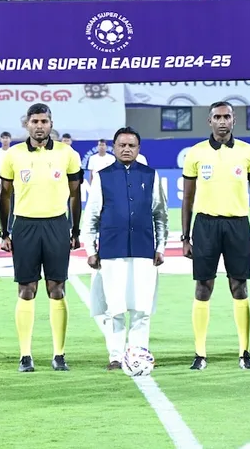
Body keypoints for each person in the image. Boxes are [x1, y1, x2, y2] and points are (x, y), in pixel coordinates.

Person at [180, 101, 250, 370]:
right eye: (217, 117)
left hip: (238, 225)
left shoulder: (248, 152)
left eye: (227, 116)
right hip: (205, 225)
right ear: (209, 121)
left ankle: (244, 352)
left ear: (234, 120)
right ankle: (200, 353)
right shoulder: (196, 153)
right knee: (203, 286)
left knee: (239, 286)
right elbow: (188, 199)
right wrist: (185, 236)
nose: (222, 121)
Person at [0, 103, 82, 372]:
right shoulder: (13, 155)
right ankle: (25, 355)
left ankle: (59, 354)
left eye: (44, 121)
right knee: (26, 289)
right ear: (27, 124)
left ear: (51, 123)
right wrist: (5, 230)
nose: (39, 125)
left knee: (56, 288)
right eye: (34, 121)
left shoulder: (67, 154)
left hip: (57, 225)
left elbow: (75, 194)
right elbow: (5, 195)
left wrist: (75, 230)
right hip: (24, 226)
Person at [83, 127, 168, 369]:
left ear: (138, 149)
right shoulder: (102, 176)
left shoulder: (150, 175)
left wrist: (160, 246)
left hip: (144, 250)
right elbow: (91, 216)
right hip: (111, 251)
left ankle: (138, 353)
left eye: (132, 145)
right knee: (115, 308)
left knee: (142, 308)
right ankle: (116, 356)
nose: (127, 149)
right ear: (115, 148)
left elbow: (159, 214)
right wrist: (91, 249)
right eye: (122, 145)